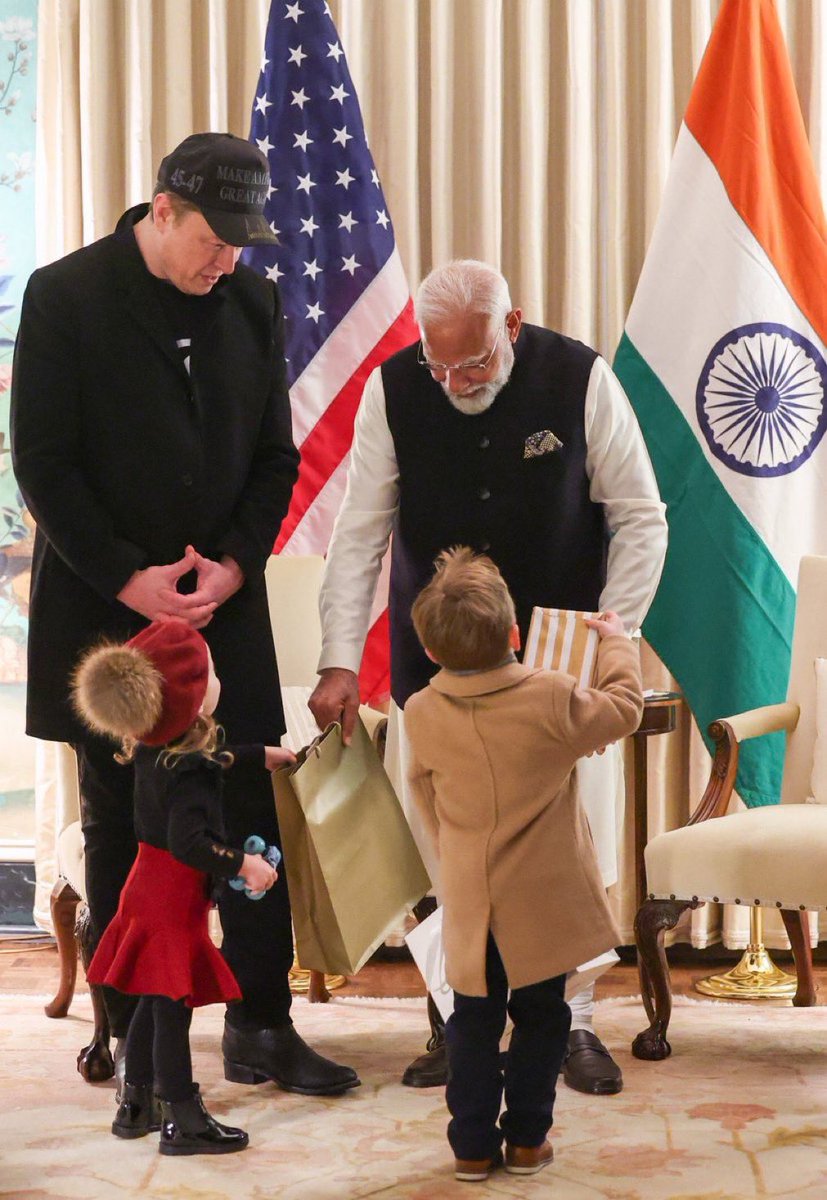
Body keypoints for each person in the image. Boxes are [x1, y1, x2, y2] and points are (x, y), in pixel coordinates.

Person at [12, 132, 358, 1097]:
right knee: (124, 819)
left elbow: (274, 460)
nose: (230, 260)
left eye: (243, 242)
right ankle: (128, 1032)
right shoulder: (67, 294)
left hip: (220, 608)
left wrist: (237, 567)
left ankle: (262, 1023)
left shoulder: (251, 298)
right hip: (104, 607)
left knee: (247, 806)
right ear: (162, 210)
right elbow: (43, 462)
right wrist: (130, 579)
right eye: (214, 238)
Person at [309, 258, 668, 1094]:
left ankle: (572, 1019)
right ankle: (454, 1014)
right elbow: (358, 534)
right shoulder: (393, 390)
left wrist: (611, 632)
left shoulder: (580, 378)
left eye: (472, 364)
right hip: (433, 666)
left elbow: (639, 516)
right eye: (440, 366)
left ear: (509, 328)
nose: (455, 382)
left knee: (566, 857)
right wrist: (335, 658)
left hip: (558, 664)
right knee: (443, 846)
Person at [404, 548, 643, 1180]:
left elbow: (423, 798)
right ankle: (529, 1140)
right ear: (515, 635)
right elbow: (625, 707)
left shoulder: (422, 711)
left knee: (472, 1022)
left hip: (472, 900)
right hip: (541, 900)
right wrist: (617, 645)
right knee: (542, 1018)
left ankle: (472, 1147)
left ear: (430, 651)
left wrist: (455, 858)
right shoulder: (551, 696)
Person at [72, 619, 297, 1155]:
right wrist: (244, 865)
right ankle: (183, 1117)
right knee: (174, 1005)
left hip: (144, 891)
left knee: (153, 998)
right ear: (194, 698)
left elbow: (209, 761)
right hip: (173, 904)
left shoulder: (158, 747)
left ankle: (134, 1104)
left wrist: (257, 755)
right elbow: (191, 842)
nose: (217, 677)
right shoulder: (188, 768)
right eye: (209, 671)